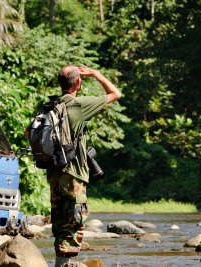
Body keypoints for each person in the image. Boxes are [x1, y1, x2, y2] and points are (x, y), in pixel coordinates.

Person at [51, 64, 121, 267]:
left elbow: (29, 133)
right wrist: (97, 73)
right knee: (74, 222)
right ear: (78, 82)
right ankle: (65, 265)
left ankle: (60, 262)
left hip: (55, 175)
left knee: (60, 223)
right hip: (74, 176)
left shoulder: (51, 106)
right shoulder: (78, 105)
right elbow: (115, 93)